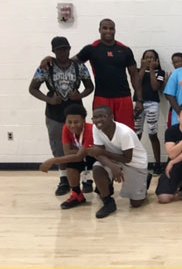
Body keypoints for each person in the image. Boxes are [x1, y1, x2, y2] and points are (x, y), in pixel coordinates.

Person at [30, 36, 94, 196]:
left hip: (75, 111)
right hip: (54, 113)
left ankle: (87, 178)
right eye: (59, 49)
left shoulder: (79, 66)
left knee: (82, 144)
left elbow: (90, 87)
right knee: (59, 147)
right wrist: (49, 99)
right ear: (53, 51)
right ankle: (64, 179)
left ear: (70, 49)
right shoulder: (46, 66)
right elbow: (33, 88)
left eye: (65, 49)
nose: (63, 52)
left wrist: (79, 96)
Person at [59, 19, 142, 130]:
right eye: (105, 28)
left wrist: (140, 99)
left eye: (111, 28)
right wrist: (51, 60)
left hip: (123, 98)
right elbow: (68, 63)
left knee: (127, 132)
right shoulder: (91, 49)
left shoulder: (125, 50)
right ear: (99, 30)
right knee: (101, 132)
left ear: (115, 30)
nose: (108, 31)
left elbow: (134, 75)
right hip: (102, 98)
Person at [85, 106, 148, 219]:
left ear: (111, 117)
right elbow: (98, 153)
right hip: (115, 160)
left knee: (136, 204)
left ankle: (145, 180)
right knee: (97, 168)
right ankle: (108, 203)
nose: (98, 120)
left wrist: (104, 153)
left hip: (135, 163)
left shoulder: (124, 133)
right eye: (95, 117)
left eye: (102, 116)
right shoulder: (96, 128)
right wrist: (112, 166)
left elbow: (127, 158)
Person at [38, 104, 96, 209]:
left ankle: (106, 196)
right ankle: (77, 195)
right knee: (70, 164)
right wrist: (82, 151)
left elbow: (77, 156)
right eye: (69, 122)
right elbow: (67, 152)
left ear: (83, 121)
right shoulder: (66, 128)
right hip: (84, 154)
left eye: (76, 122)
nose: (72, 125)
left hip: (97, 157)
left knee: (100, 169)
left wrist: (52, 161)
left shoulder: (91, 130)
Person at [134, 49, 166, 175]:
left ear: (156, 60)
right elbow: (137, 83)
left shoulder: (160, 72)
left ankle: (157, 164)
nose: (149, 60)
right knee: (136, 134)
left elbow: (154, 87)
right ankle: (134, 163)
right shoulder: (137, 70)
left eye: (152, 58)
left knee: (153, 133)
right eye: (146, 57)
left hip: (152, 104)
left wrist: (152, 69)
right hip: (138, 103)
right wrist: (143, 68)